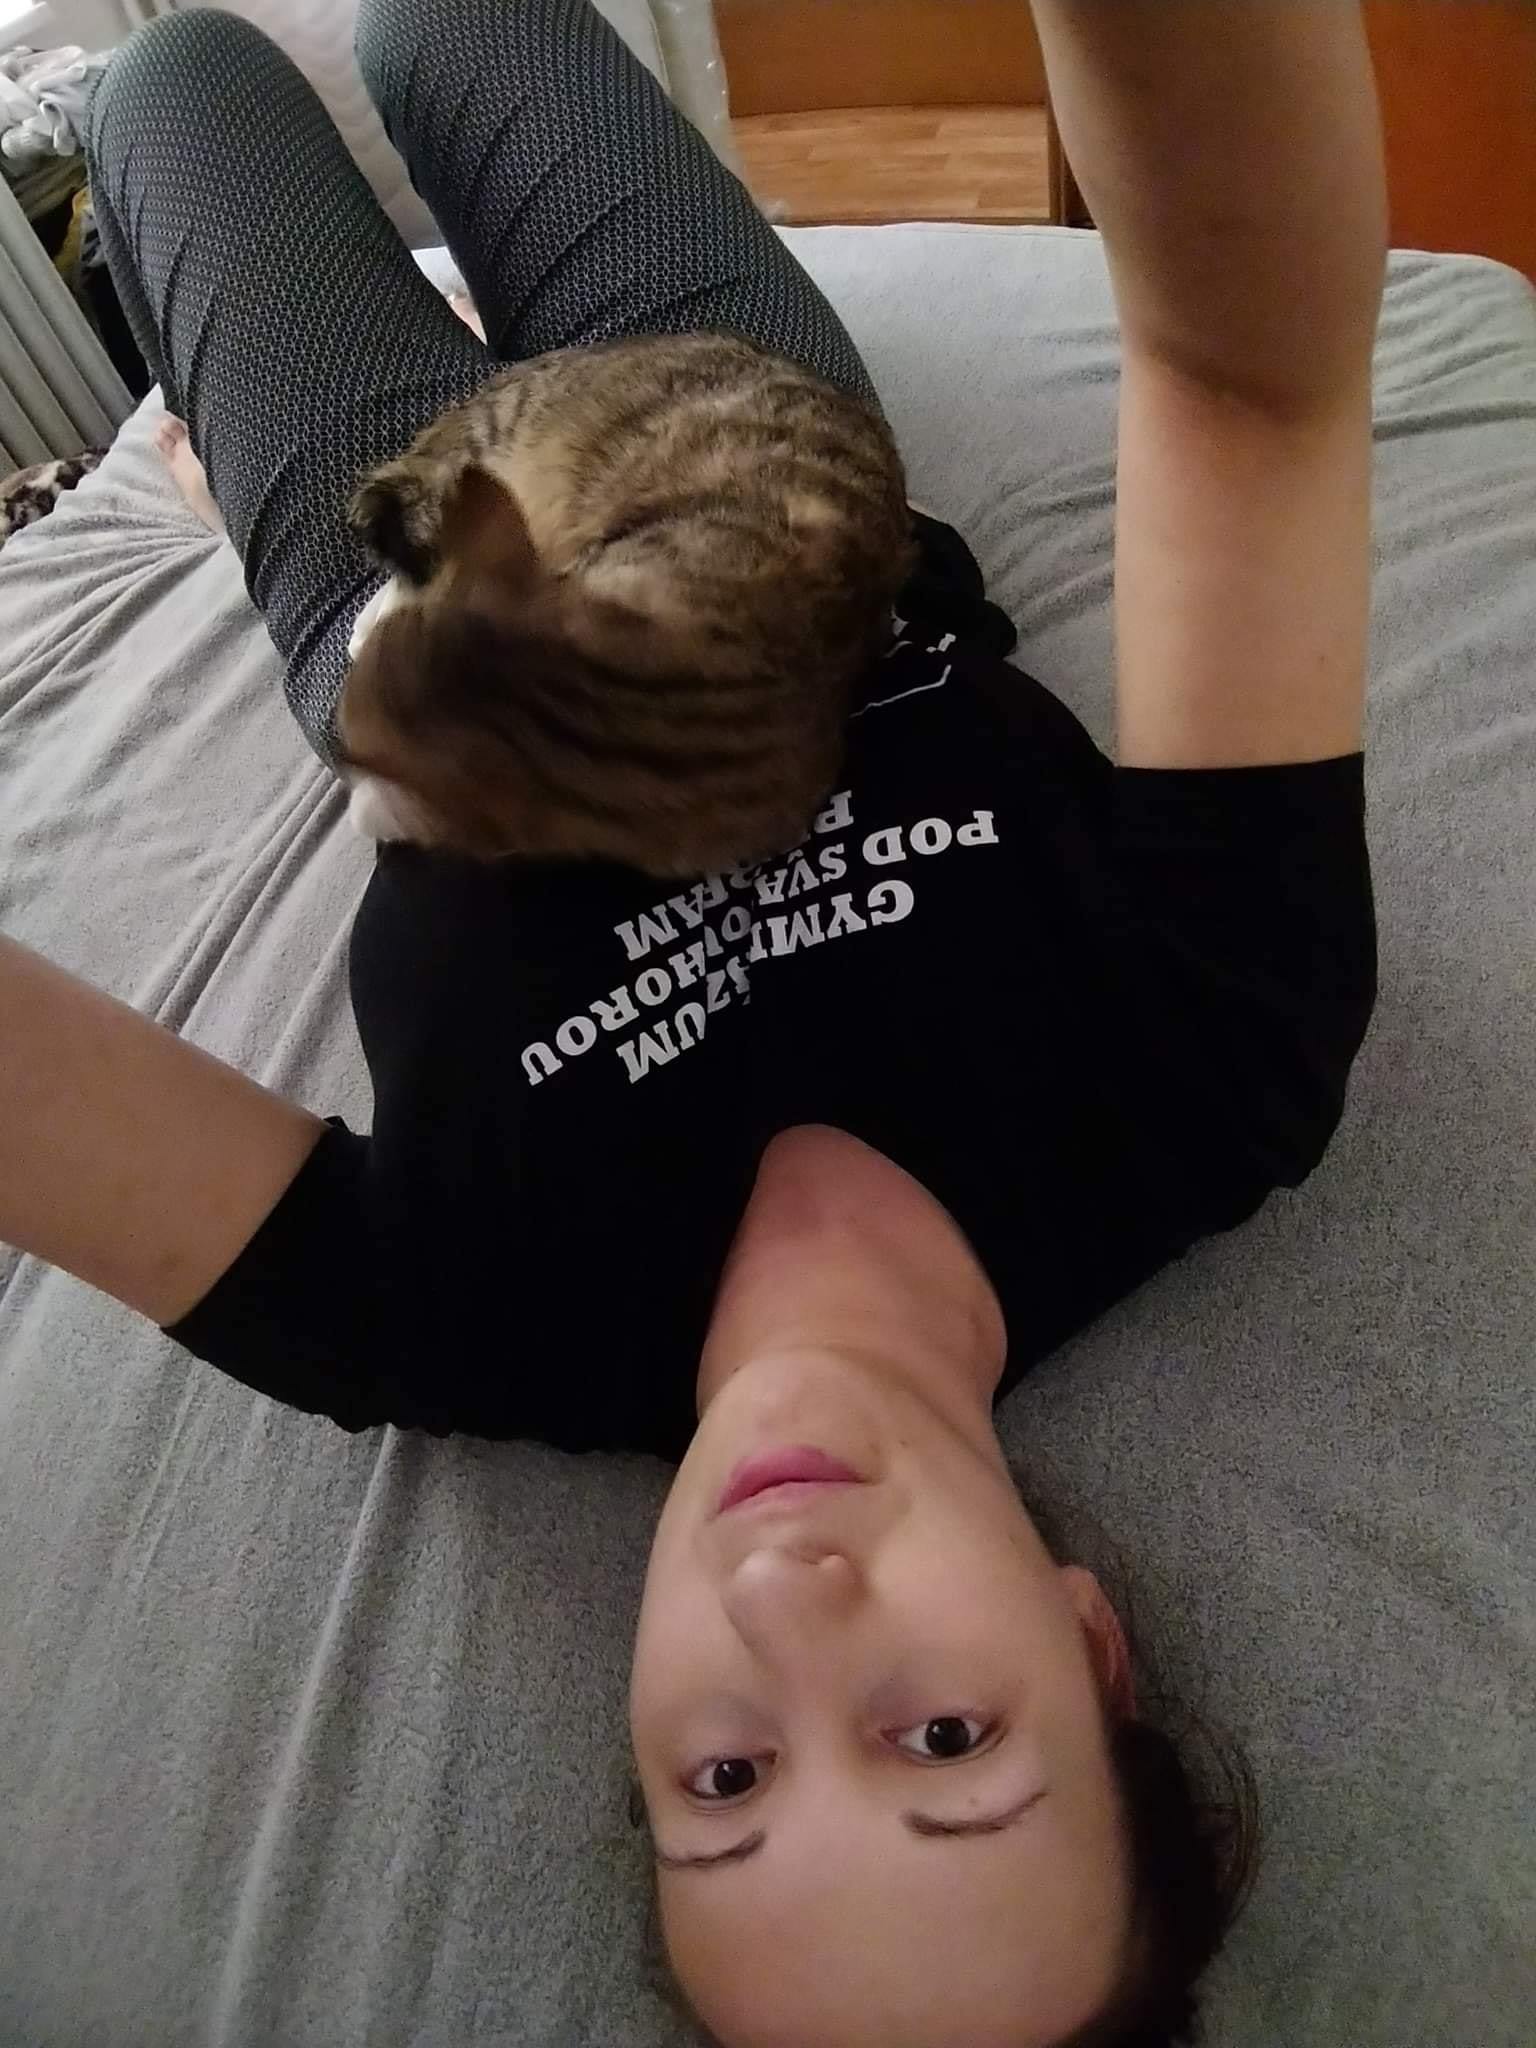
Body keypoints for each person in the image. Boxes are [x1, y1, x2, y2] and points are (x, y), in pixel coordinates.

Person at [0, 1, 1389, 2041]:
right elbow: (1254, 397)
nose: (784, 1604)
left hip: (403, 589)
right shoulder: (1212, 1070)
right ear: (1089, 1651)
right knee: (450, 18)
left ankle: (244, 454)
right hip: (747, 456)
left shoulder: (454, 1315)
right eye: (940, 1736)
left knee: (168, 79)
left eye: (725, 1781)